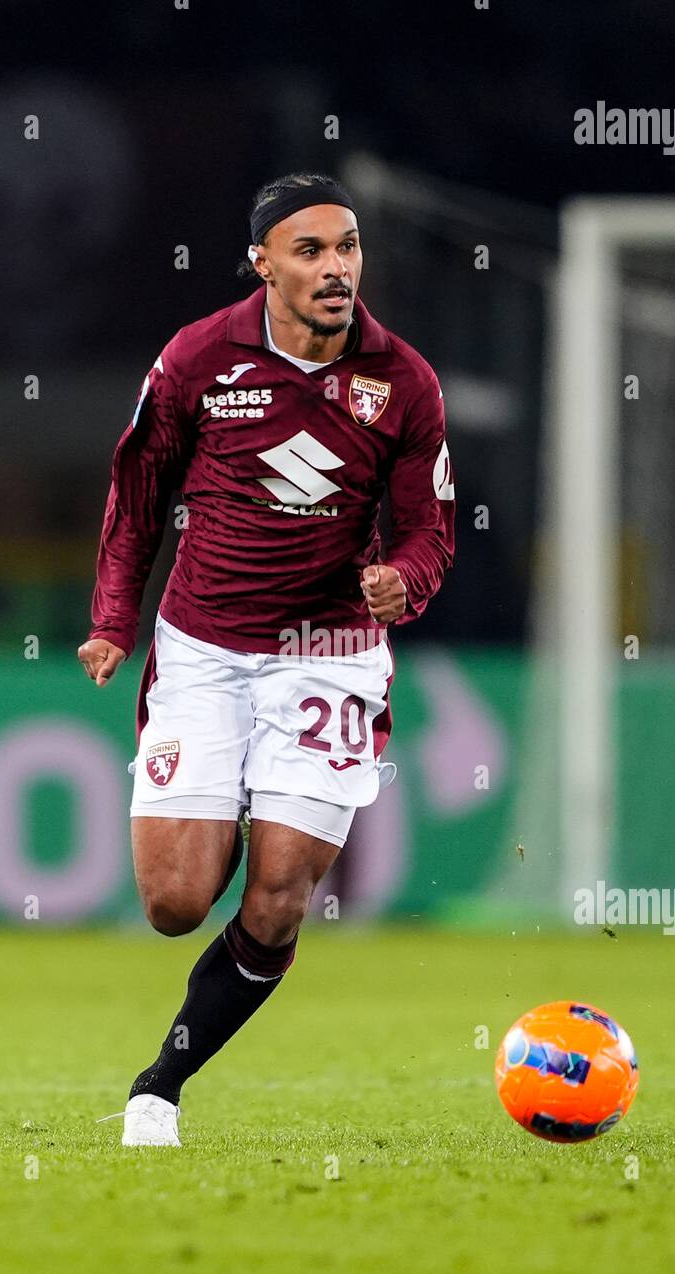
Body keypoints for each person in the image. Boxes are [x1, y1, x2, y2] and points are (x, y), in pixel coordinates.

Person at [78, 171, 455, 1146]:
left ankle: (159, 1086)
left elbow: (428, 529)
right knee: (172, 903)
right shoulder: (199, 357)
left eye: (348, 247)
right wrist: (115, 617)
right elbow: (137, 494)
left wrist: (403, 579)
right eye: (311, 251)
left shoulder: (402, 381)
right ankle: (232, 802)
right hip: (202, 650)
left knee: (280, 895)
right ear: (263, 264)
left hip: (326, 657)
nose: (336, 269)